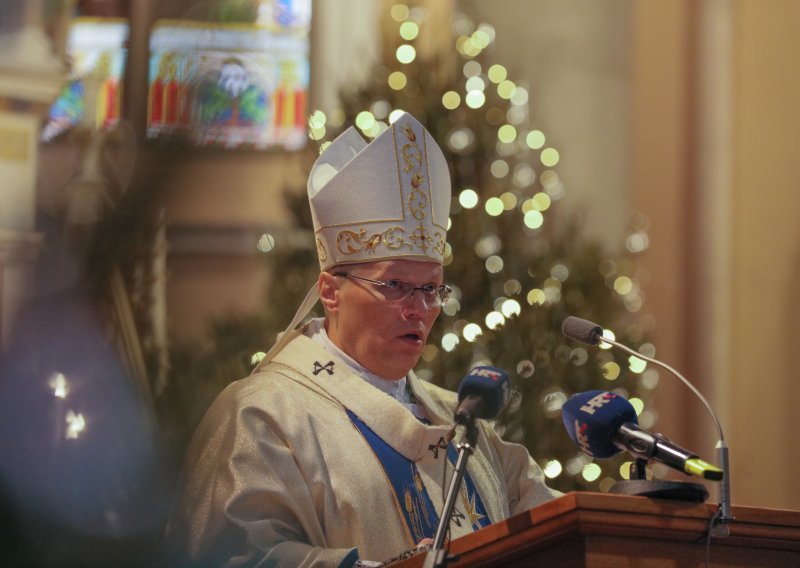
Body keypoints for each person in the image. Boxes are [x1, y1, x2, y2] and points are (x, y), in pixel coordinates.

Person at [166, 113, 560, 567]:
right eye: (394, 285)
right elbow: (233, 556)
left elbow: (556, 524)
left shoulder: (464, 425)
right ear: (331, 291)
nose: (419, 309)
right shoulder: (261, 415)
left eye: (432, 289)